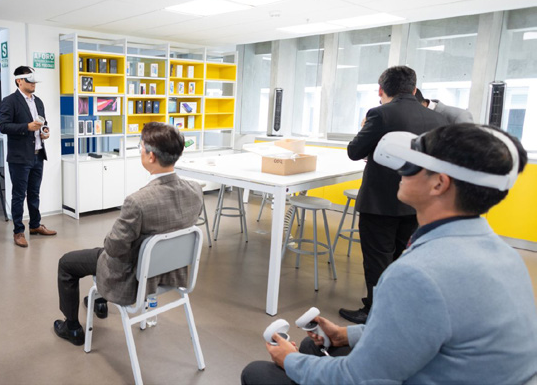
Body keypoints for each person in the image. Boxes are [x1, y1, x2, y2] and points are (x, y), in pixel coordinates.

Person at [241, 123, 537, 384]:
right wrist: (348, 334)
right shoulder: (504, 254)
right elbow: (432, 326)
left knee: (260, 373)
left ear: (439, 183)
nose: (399, 170)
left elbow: (359, 379)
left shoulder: (416, 274)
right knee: (314, 347)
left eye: (411, 165)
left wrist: (289, 360)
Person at [53, 122, 203, 345]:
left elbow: (114, 248)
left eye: (141, 147)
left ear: (151, 156)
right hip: (170, 272)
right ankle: (99, 300)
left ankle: (72, 328)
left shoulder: (138, 201)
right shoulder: (195, 191)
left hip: (135, 274)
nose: (140, 150)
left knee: (67, 263)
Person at [339, 65, 449, 324]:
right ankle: (396, 304)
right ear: (414, 88)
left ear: (381, 90)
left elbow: (354, 151)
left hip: (381, 202)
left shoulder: (380, 114)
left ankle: (375, 311)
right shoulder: (439, 120)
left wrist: (365, 132)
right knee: (401, 256)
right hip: (418, 203)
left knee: (378, 259)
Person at [0, 66, 56, 247]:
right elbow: (4, 126)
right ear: (19, 81)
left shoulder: (38, 101)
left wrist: (45, 132)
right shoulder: (9, 101)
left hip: (38, 155)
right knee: (18, 195)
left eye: (34, 81)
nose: (33, 84)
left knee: (34, 193)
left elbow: (43, 122)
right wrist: (27, 127)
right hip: (20, 157)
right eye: (30, 81)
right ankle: (18, 231)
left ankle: (35, 225)